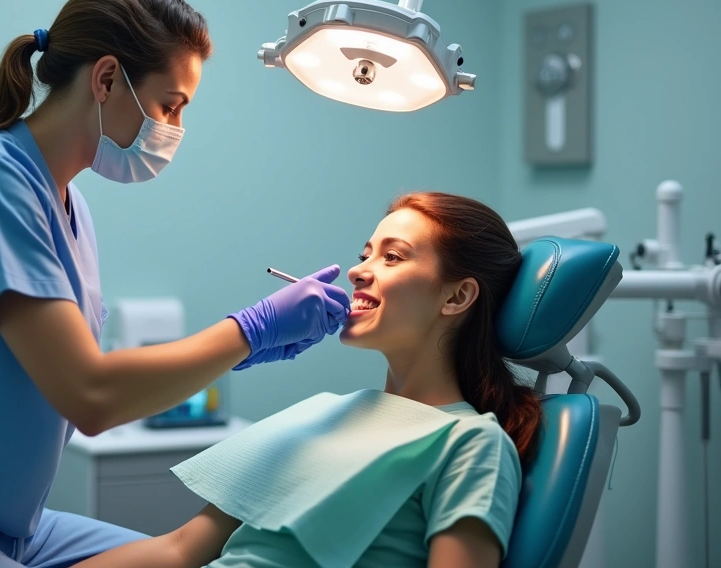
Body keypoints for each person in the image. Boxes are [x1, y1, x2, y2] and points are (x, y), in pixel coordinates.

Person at [0, 0, 351, 567]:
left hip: (10, 527)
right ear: (107, 79)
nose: (175, 129)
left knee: (191, 556)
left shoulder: (71, 207)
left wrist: (233, 356)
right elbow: (90, 395)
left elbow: (81, 379)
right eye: (171, 105)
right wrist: (251, 331)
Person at [72, 192, 544, 568]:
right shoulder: (324, 412)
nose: (359, 271)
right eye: (365, 254)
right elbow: (178, 550)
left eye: (392, 258)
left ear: (457, 296)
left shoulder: (470, 444)